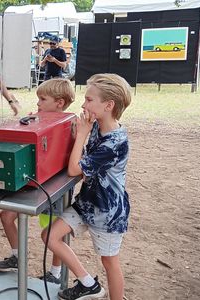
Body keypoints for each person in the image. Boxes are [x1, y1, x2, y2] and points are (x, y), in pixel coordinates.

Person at [42, 73, 132, 300]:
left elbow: (74, 170)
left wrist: (81, 133)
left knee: (109, 262)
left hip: (107, 213)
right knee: (49, 236)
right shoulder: (97, 127)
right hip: (87, 203)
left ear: (109, 105)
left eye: (90, 100)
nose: (83, 104)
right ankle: (88, 284)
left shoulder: (114, 142)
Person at [0, 78, 75, 283]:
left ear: (60, 103)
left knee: (52, 233)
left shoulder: (72, 123)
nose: (38, 103)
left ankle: (55, 274)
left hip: (55, 187)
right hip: (31, 182)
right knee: (6, 215)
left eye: (43, 99)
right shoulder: (36, 118)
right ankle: (17, 257)